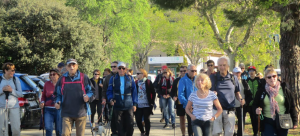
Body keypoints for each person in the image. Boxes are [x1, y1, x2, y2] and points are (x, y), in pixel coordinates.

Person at [55, 59, 94, 136]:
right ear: (66, 67)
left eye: (73, 65)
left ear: (77, 66)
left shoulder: (84, 77)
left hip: (81, 113)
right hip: (66, 112)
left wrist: (88, 97)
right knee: (65, 134)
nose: (71, 67)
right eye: (69, 65)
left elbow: (91, 91)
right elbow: (57, 94)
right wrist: (57, 102)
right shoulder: (62, 79)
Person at [254, 68, 298, 136]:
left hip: (283, 119)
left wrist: (295, 121)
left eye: (274, 76)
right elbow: (255, 104)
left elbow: (292, 106)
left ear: (277, 77)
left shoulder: (284, 90)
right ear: (266, 79)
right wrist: (256, 109)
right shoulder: (261, 91)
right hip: (267, 120)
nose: (272, 78)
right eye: (269, 77)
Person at [210, 57, 245, 136]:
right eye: (220, 65)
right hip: (216, 109)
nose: (222, 67)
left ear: (228, 66)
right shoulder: (212, 77)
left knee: (229, 133)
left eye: (224, 65)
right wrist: (212, 94)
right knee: (216, 133)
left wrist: (240, 99)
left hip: (230, 109)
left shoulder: (233, 78)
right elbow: (207, 92)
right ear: (217, 66)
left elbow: (237, 92)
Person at [107, 62, 137, 136]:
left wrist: (135, 104)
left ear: (126, 69)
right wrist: (110, 99)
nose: (121, 70)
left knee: (130, 124)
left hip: (128, 105)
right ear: (117, 69)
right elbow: (109, 91)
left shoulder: (130, 78)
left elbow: (134, 92)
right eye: (119, 68)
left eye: (123, 68)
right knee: (119, 126)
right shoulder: (113, 79)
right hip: (117, 105)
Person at [0, 62, 22, 136]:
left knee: (16, 129)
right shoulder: (0, 80)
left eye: (14, 70)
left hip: (14, 107)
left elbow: (20, 94)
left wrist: (11, 90)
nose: (13, 72)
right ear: (5, 70)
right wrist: (2, 90)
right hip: (1, 107)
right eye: (12, 70)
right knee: (2, 130)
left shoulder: (16, 80)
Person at [40, 69, 62, 136]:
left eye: (54, 74)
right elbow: (43, 95)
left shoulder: (62, 84)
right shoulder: (47, 83)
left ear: (58, 75)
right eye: (51, 74)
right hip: (48, 109)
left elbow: (65, 96)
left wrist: (60, 102)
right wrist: (42, 102)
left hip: (59, 110)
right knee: (48, 128)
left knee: (59, 130)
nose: (52, 76)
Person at [178, 64, 198, 136]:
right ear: (188, 71)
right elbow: (180, 94)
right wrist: (188, 105)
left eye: (195, 71)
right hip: (189, 106)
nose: (194, 72)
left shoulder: (198, 79)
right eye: (192, 71)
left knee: (198, 124)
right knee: (191, 123)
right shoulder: (183, 80)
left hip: (198, 105)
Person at [135, 69, 156, 136]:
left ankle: (147, 134)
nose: (137, 75)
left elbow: (153, 92)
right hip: (138, 105)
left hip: (147, 104)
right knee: (138, 120)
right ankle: (142, 131)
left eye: (138, 73)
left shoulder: (148, 82)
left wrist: (152, 102)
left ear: (143, 74)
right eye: (137, 73)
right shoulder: (135, 82)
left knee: (147, 120)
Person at [232, 67, 252, 136]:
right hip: (231, 106)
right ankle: (233, 134)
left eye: (239, 72)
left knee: (241, 123)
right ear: (233, 73)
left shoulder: (244, 82)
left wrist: (245, 102)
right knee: (231, 122)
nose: (238, 74)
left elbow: (249, 94)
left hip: (241, 106)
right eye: (236, 72)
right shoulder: (229, 81)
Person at [102, 61, 119, 136]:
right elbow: (104, 89)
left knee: (120, 118)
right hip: (111, 101)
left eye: (114, 66)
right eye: (112, 67)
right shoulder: (108, 77)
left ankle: (120, 131)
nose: (113, 68)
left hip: (121, 101)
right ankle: (114, 132)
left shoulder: (123, 76)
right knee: (112, 117)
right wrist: (104, 98)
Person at [171, 66, 187, 136]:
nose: (183, 72)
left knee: (191, 120)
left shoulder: (190, 79)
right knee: (182, 119)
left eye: (184, 71)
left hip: (189, 103)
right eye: (181, 71)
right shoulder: (176, 80)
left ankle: (191, 133)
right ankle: (183, 134)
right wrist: (174, 96)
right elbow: (172, 91)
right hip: (180, 103)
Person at [245, 66, 261, 136]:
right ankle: (255, 133)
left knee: (257, 119)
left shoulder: (259, 80)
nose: (251, 72)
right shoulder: (246, 81)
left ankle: (258, 132)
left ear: (255, 72)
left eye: (253, 70)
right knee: (252, 119)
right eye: (250, 71)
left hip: (257, 104)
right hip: (250, 104)